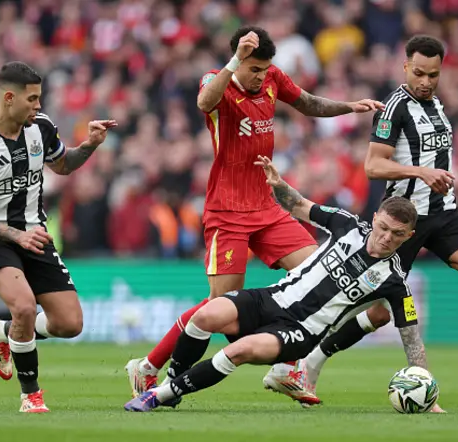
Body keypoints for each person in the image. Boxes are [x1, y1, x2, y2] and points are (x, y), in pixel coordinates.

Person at [266, 35, 458, 405]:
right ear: (405, 67)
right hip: (402, 221)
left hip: (443, 213)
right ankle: (306, 363)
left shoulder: (437, 105)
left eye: (432, 75)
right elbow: (373, 166)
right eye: (418, 73)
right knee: (375, 310)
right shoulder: (394, 108)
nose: (425, 81)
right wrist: (420, 172)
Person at [125, 25, 383, 400]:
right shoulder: (216, 80)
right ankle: (149, 366)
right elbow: (203, 104)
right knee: (218, 307)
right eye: (253, 68)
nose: (260, 76)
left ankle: (285, 370)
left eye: (265, 69)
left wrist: (348, 107)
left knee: (320, 274)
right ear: (237, 60)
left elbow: (307, 103)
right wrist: (234, 63)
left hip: (267, 206)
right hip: (227, 210)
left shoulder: (272, 78)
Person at [123, 155, 432, 412]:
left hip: (299, 331)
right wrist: (278, 184)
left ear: (408, 237)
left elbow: (411, 336)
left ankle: (157, 396)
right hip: (270, 299)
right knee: (205, 316)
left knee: (239, 351)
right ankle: (172, 383)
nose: (386, 237)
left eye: (397, 234)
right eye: (383, 227)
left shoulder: (394, 280)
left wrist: (425, 386)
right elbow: (298, 205)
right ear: (375, 218)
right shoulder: (346, 224)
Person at [0, 61, 116, 412]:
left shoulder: (41, 128)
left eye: (40, 98)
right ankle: (31, 395)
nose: (39, 105)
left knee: (69, 324)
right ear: (9, 98)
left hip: (35, 233)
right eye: (32, 99)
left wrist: (89, 145)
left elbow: (62, 165)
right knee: (25, 307)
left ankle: (3, 332)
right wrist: (16, 236)